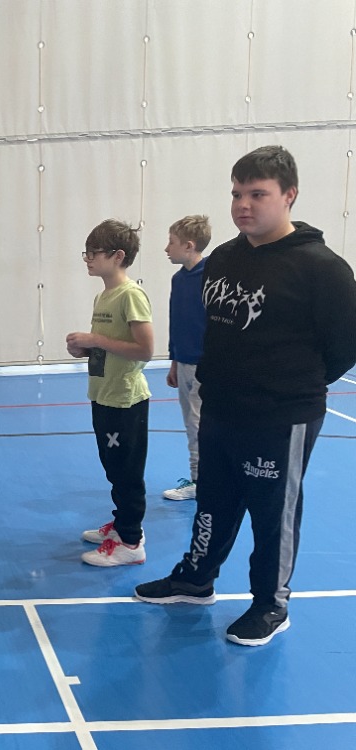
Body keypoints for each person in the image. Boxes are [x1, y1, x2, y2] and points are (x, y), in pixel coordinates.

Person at [135, 145, 356, 646]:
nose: (243, 205)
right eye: (237, 194)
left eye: (257, 194)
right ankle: (196, 579)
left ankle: (271, 604)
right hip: (221, 407)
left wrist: (290, 385)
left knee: (272, 513)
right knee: (213, 501)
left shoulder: (322, 268)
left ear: (289, 195)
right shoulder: (223, 259)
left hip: (281, 415)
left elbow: (345, 346)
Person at [66, 219, 154, 567]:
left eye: (94, 252)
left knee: (126, 471)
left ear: (117, 256)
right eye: (86, 252)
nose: (88, 259)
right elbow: (111, 346)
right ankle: (121, 525)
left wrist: (96, 340)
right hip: (103, 393)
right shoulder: (103, 296)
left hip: (124, 399)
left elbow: (145, 349)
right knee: (113, 467)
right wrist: (85, 350)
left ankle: (131, 542)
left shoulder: (131, 295)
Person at [161, 215, 212, 501]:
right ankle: (201, 477)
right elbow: (177, 322)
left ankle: (200, 481)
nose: (167, 248)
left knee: (197, 425)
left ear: (189, 246)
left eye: (172, 243)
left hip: (204, 366)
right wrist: (174, 360)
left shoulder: (212, 276)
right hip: (183, 363)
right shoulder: (178, 280)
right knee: (191, 422)